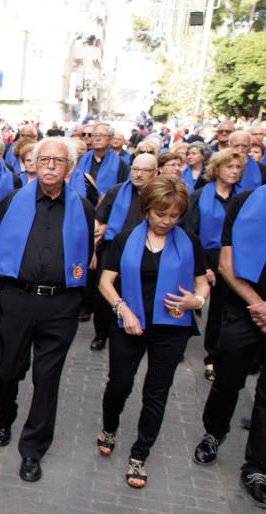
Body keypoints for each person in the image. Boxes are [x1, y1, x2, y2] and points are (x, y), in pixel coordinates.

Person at [0, 138, 95, 482]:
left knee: (47, 379)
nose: (50, 165)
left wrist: (79, 302)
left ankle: (32, 450)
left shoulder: (84, 207)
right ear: (33, 164)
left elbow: (86, 255)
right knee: (7, 370)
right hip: (16, 300)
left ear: (70, 168)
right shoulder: (11, 202)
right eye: (44, 159)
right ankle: (6, 415)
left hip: (61, 304)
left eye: (58, 161)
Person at [97, 177, 208, 488]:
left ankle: (139, 455)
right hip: (129, 325)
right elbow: (105, 282)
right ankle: (109, 427)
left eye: (174, 216)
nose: (167, 221)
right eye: (161, 214)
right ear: (147, 209)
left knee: (156, 393)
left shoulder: (189, 243)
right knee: (119, 384)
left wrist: (196, 300)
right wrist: (124, 310)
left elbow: (202, 283)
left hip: (171, 329)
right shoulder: (125, 239)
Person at [192, 183, 266, 507]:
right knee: (227, 381)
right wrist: (259, 304)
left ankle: (258, 468)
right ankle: (214, 432)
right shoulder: (246, 201)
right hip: (243, 306)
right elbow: (226, 264)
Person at [183, 148, 244, 382]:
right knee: (215, 313)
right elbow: (191, 232)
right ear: (217, 169)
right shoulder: (199, 196)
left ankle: (225, 357)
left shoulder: (243, 198)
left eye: (238, 167)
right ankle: (211, 359)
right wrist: (204, 267)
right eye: (230, 166)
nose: (234, 171)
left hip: (235, 262)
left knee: (230, 310)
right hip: (207, 261)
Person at [88, 153, 160, 352]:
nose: (138, 174)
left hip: (147, 251)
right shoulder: (117, 191)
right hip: (113, 250)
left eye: (144, 171)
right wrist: (93, 250)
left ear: (155, 173)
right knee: (103, 296)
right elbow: (99, 221)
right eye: (135, 169)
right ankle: (101, 335)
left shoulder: (161, 195)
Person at [69, 122, 129, 205]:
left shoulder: (121, 164)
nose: (97, 138)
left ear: (110, 139)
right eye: (94, 135)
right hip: (81, 207)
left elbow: (124, 192)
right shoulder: (80, 160)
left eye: (101, 135)